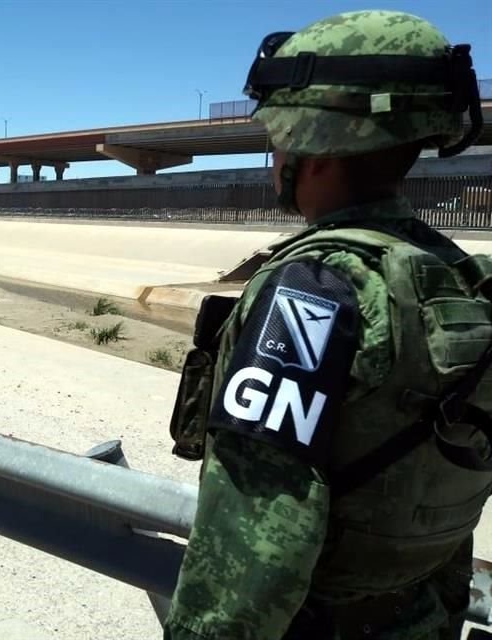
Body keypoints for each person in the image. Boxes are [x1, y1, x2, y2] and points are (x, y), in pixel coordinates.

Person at [165, 11, 489, 640]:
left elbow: (261, 522)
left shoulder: (313, 287)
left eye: (277, 137)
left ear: (310, 143)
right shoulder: (455, 275)